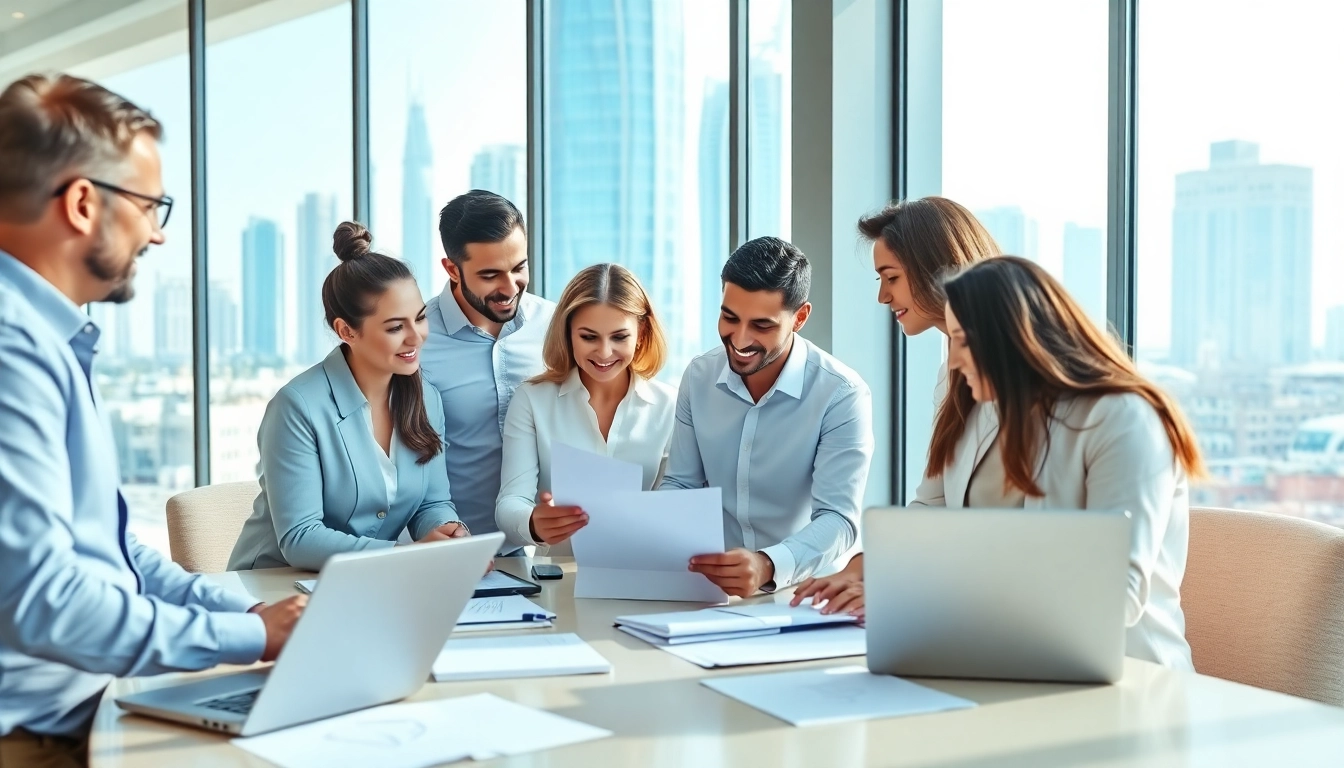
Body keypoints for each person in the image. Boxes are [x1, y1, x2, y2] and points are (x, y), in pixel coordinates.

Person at [0, 73, 305, 766]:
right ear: (83, 203)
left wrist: (247, 617)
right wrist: (253, 639)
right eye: (149, 205)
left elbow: (109, 554)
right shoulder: (12, 347)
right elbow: (45, 600)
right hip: (35, 740)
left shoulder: (47, 338)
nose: (158, 235)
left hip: (89, 705)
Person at [799, 257, 1205, 669]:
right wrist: (875, 575)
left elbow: (1117, 595)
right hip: (1008, 659)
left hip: (1129, 673)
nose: (953, 361)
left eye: (962, 340)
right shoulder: (984, 410)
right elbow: (941, 522)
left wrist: (917, 598)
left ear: (1013, 337)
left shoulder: (1123, 418)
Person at [788, 196, 1000, 610]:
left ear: (939, 271)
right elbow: (934, 504)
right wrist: (864, 567)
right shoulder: (952, 374)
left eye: (892, 278)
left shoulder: (1027, 385)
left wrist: (898, 587)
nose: (883, 297)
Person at [228, 222, 468, 571]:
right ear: (346, 331)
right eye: (395, 327)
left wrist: (450, 534)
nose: (416, 337)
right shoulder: (297, 407)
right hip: (276, 584)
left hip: (369, 582)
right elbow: (300, 537)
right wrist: (407, 556)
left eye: (420, 318)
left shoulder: (427, 399)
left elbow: (432, 503)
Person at [660, 236, 875, 598]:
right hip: (713, 591)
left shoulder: (841, 394)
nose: (740, 339)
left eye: (762, 325)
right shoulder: (699, 377)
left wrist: (768, 564)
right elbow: (681, 485)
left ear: (800, 318)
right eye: (729, 318)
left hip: (805, 592)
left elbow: (838, 519)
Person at [495, 263, 676, 553]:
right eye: (589, 337)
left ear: (641, 333)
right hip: (557, 574)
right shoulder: (532, 400)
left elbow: (675, 505)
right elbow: (510, 503)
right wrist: (533, 523)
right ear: (568, 333)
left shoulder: (670, 407)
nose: (604, 352)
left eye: (619, 337)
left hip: (645, 568)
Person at [420, 190, 556, 550]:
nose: (510, 287)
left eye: (519, 268)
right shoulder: (414, 341)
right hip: (447, 551)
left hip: (536, 550)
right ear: (452, 269)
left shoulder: (557, 326)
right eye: (490, 274)